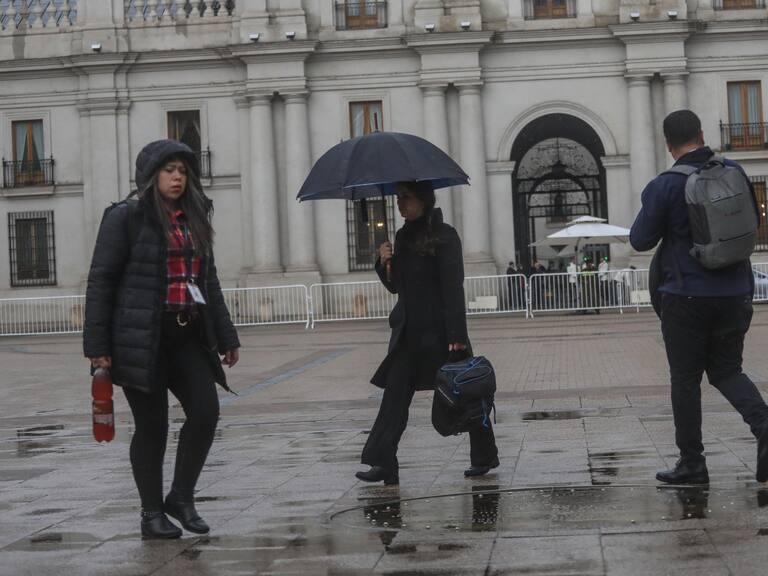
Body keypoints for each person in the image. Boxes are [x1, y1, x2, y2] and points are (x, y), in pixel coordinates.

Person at [83, 139, 241, 539]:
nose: (177, 177)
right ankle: (151, 513)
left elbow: (209, 280)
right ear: (151, 175)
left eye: (183, 171)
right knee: (152, 427)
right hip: (140, 338)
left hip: (188, 333)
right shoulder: (126, 217)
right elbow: (102, 280)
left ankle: (181, 497)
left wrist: (226, 334)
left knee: (206, 413)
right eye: (169, 170)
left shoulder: (195, 216)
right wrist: (98, 349)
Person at [630, 109, 768, 485]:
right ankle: (765, 424)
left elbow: (640, 239)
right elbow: (751, 223)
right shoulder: (735, 171)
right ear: (702, 134)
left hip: (686, 297)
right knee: (727, 370)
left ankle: (692, 463)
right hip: (737, 291)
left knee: (685, 380)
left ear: (667, 143)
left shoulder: (665, 185)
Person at [356, 181, 499, 484]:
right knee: (394, 397)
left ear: (423, 200)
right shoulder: (401, 237)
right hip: (408, 335)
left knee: (467, 393)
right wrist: (384, 263)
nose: (399, 203)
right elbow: (397, 287)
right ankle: (383, 461)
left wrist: (457, 335)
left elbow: (453, 287)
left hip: (442, 333)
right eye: (398, 198)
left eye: (405, 198)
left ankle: (484, 456)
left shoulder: (445, 236)